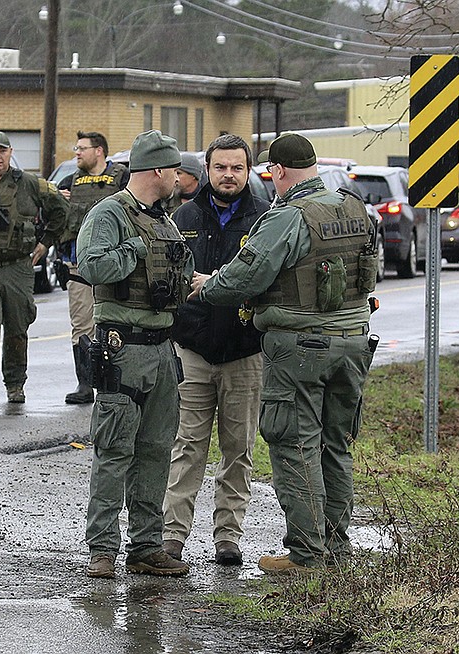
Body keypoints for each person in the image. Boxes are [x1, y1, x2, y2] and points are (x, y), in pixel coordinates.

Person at [190, 133, 379, 573]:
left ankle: (306, 553)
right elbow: (371, 272)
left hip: (301, 348)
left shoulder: (288, 216)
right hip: (353, 344)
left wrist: (207, 286)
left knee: (294, 444)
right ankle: (334, 547)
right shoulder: (353, 208)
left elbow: (243, 278)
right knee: (337, 445)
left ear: (277, 171)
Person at [76, 129, 194, 579]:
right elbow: (91, 266)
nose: (179, 179)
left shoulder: (165, 219)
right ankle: (102, 549)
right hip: (122, 348)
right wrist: (134, 250)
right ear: (158, 170)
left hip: (163, 350)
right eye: (175, 170)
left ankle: (146, 545)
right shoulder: (110, 214)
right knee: (114, 450)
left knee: (156, 450)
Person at [161, 134, 269, 566]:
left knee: (238, 449)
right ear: (207, 169)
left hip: (244, 353)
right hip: (192, 352)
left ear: (248, 171)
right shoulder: (182, 216)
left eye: (237, 168)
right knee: (186, 446)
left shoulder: (265, 219)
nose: (228, 175)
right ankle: (172, 536)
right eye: (220, 167)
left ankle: (228, 536)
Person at [0, 131, 67, 406]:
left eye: (2, 151)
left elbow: (61, 209)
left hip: (18, 266)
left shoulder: (29, 184)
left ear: (10, 153)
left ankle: (15, 384)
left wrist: (45, 243)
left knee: (17, 329)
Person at [57, 131, 129, 405]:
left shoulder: (122, 179)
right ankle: (85, 383)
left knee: (116, 322)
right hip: (78, 265)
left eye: (82, 148)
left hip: (115, 262)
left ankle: (116, 379)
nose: (77, 153)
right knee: (82, 325)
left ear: (99, 151)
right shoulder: (69, 182)